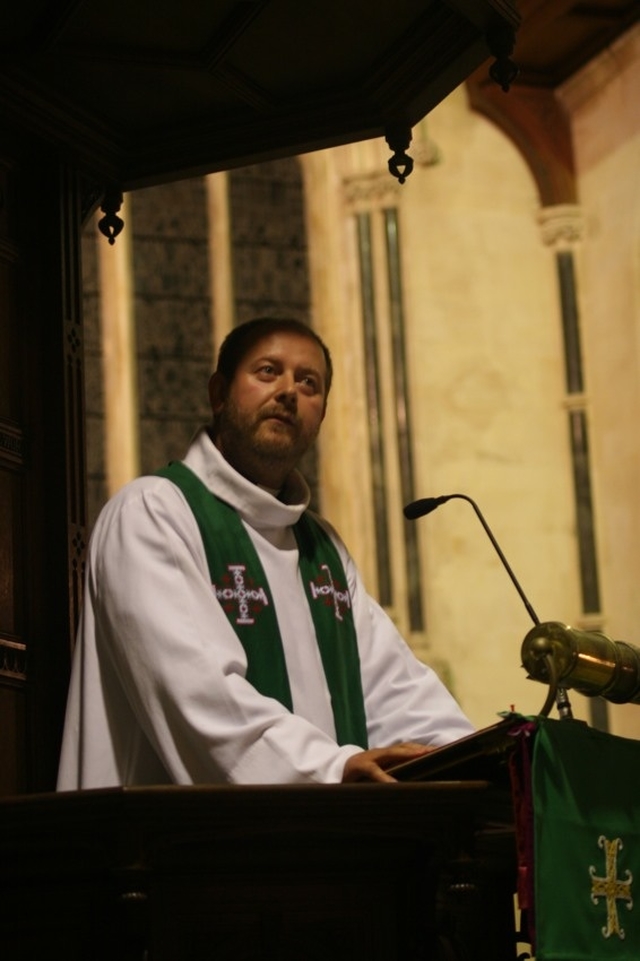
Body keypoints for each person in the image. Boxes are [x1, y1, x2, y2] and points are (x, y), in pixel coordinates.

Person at [57, 317, 473, 789]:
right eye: (267, 371)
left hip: (315, 838)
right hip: (159, 850)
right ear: (218, 394)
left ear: (321, 415)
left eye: (308, 382)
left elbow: (395, 690)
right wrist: (332, 768)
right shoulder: (152, 514)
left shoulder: (323, 550)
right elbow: (200, 698)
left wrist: (472, 756)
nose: (289, 392)